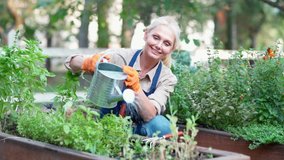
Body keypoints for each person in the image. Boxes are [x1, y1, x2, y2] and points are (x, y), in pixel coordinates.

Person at [65, 16, 181, 137]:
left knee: (162, 125)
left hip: (137, 130)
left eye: (166, 43)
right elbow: (71, 62)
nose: (158, 45)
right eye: (156, 37)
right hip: (104, 121)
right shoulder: (120, 57)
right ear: (146, 35)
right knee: (76, 115)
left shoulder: (167, 78)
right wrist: (87, 63)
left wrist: (136, 88)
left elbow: (150, 115)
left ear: (171, 49)